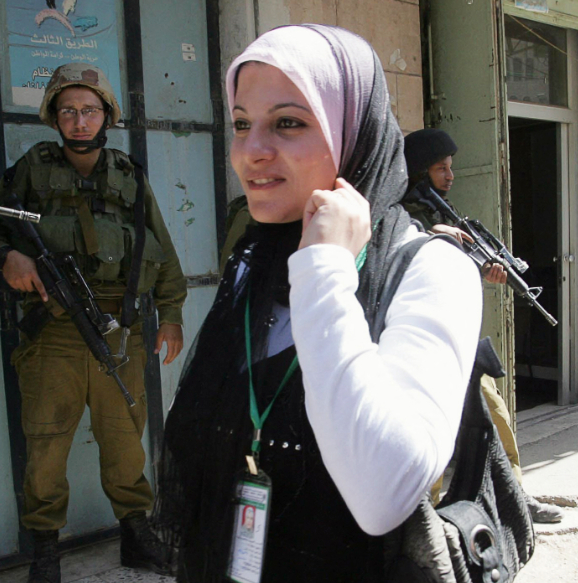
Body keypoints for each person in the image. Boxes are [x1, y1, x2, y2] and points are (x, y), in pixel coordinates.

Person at [153, 25, 484, 582]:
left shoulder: (429, 268)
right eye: (240, 124)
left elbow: (384, 493)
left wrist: (326, 270)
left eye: (288, 122)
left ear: (353, 132)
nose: (251, 151)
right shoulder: (256, 263)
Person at [0, 63, 186, 581]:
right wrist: (6, 258)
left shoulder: (128, 174)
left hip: (122, 329)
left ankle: (135, 533)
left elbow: (163, 250)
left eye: (89, 110)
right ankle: (46, 549)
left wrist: (171, 315)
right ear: (54, 118)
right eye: (69, 111)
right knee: (46, 443)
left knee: (125, 438)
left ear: (106, 114)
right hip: (55, 333)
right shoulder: (29, 171)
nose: (80, 121)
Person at [402, 128, 564, 523]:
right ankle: (421, 518)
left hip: (458, 337)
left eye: (451, 168)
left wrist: (484, 270)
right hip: (419, 342)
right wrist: (428, 235)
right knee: (430, 435)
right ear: (421, 172)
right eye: (441, 168)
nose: (450, 176)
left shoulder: (443, 212)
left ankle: (515, 499)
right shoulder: (399, 215)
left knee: (495, 417)